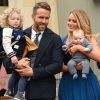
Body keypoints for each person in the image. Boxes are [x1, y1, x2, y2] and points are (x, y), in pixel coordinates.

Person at [15, 2, 63, 100]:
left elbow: (57, 65)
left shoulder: (55, 38)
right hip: (19, 91)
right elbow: (7, 61)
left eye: (47, 18)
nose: (44, 21)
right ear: (33, 16)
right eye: (41, 17)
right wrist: (16, 63)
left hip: (44, 92)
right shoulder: (20, 35)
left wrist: (34, 72)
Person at [59, 9, 100, 100]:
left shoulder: (88, 38)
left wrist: (79, 48)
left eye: (74, 21)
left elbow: (98, 57)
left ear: (80, 23)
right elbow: (57, 66)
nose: (70, 23)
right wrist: (75, 67)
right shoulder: (61, 40)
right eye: (69, 20)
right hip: (68, 82)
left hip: (86, 81)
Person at [1, 8, 37, 100]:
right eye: (13, 19)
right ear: (7, 20)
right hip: (13, 56)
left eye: (18, 19)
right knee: (25, 73)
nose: (16, 21)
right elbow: (6, 44)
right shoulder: (7, 30)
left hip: (19, 56)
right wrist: (12, 55)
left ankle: (9, 91)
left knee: (15, 74)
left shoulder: (19, 31)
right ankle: (20, 94)